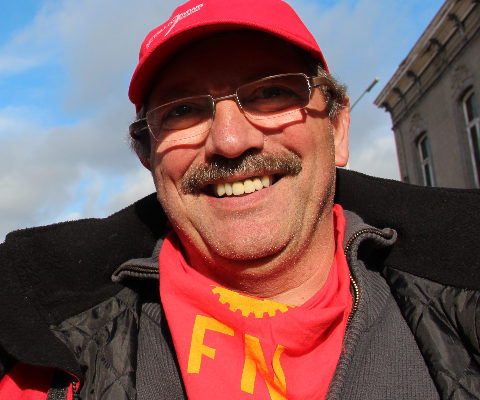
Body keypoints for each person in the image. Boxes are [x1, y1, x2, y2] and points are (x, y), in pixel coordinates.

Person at [0, 0, 479, 399]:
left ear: (336, 128)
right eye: (183, 110)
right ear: (148, 156)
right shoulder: (38, 366)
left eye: (270, 92)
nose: (230, 141)